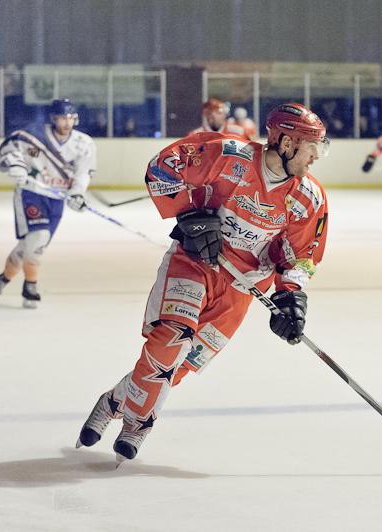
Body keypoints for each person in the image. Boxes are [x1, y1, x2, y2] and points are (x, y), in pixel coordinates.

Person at [76, 102, 330, 464]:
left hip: (242, 287)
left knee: (181, 365)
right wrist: (190, 214)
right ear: (287, 143)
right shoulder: (228, 155)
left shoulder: (308, 198)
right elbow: (162, 167)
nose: (316, 157)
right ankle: (139, 424)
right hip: (195, 262)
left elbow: (302, 255)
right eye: (312, 147)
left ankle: (114, 402)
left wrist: (291, 296)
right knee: (171, 339)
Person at [0, 98, 96, 308]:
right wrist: (16, 165)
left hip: (57, 200)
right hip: (31, 193)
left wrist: (77, 194)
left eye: (70, 118)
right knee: (38, 238)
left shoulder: (84, 144)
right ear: (53, 118)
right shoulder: (33, 136)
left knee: (29, 246)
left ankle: (4, 278)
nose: (67, 123)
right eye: (62, 118)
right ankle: (30, 287)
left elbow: (83, 173)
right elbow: (9, 147)